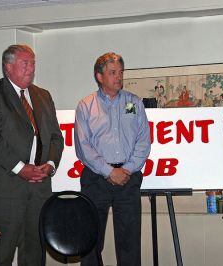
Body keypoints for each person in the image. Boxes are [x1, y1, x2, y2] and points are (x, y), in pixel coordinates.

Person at [0, 44, 64, 266]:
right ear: (8, 67)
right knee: (0, 255)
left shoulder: (43, 95)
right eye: (26, 63)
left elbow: (55, 137)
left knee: (34, 254)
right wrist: (20, 168)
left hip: (39, 189)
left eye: (33, 63)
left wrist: (50, 165)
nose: (31, 68)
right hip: (5, 191)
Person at [74, 52, 151, 266]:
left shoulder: (133, 103)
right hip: (96, 179)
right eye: (113, 73)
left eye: (121, 72)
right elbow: (83, 147)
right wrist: (109, 172)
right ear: (99, 76)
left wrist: (126, 169)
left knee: (129, 242)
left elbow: (143, 140)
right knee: (90, 242)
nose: (119, 77)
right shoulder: (85, 105)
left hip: (128, 178)